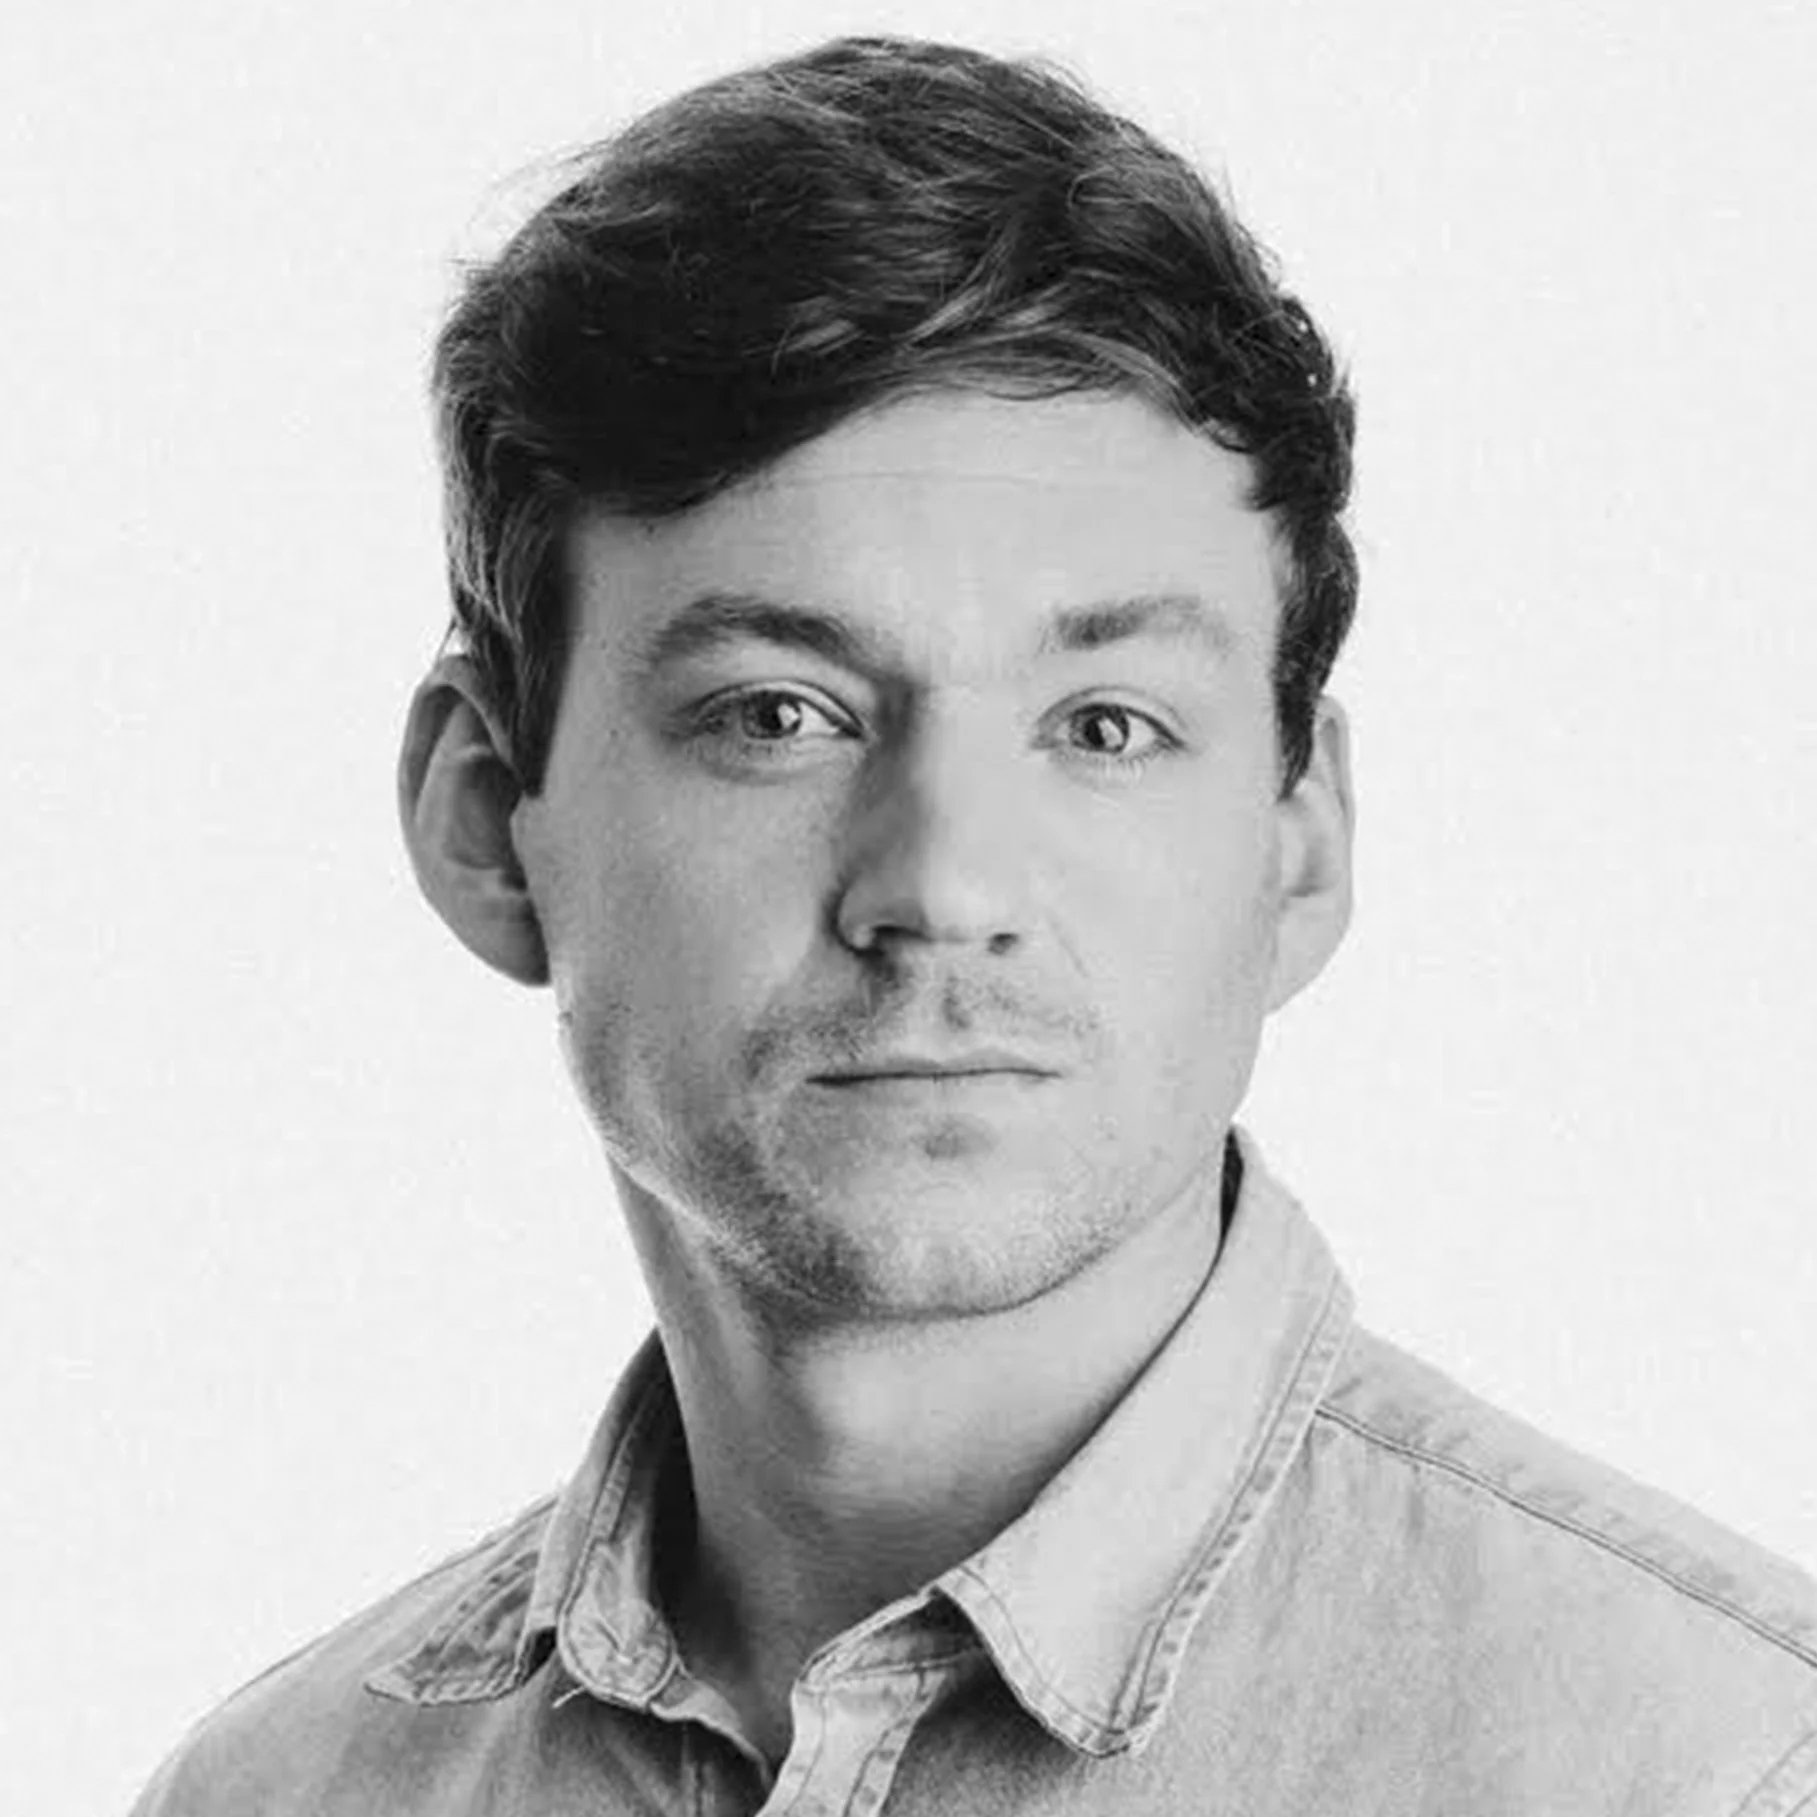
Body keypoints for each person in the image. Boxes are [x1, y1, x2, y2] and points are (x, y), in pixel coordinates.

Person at [132, 34, 1817, 1816]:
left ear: (1301, 842)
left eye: (1106, 728)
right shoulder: (282, 1795)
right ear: (487, 820)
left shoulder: (1721, 1770)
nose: (943, 889)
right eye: (780, 714)